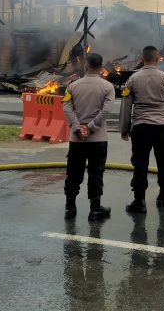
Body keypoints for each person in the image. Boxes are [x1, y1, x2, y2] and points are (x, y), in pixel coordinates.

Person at [121, 45, 164, 213]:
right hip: (161, 126)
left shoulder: (133, 79)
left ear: (142, 59)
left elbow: (126, 105)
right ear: (157, 58)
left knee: (140, 163)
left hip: (141, 127)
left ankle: (139, 202)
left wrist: (124, 128)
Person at [62, 52, 115, 221]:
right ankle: (95, 209)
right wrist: (91, 128)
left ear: (85, 65)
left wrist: (78, 128)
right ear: (101, 68)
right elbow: (105, 111)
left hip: (77, 140)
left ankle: (70, 208)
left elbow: (67, 107)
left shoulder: (72, 86)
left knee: (73, 172)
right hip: (98, 139)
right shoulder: (108, 87)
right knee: (96, 173)